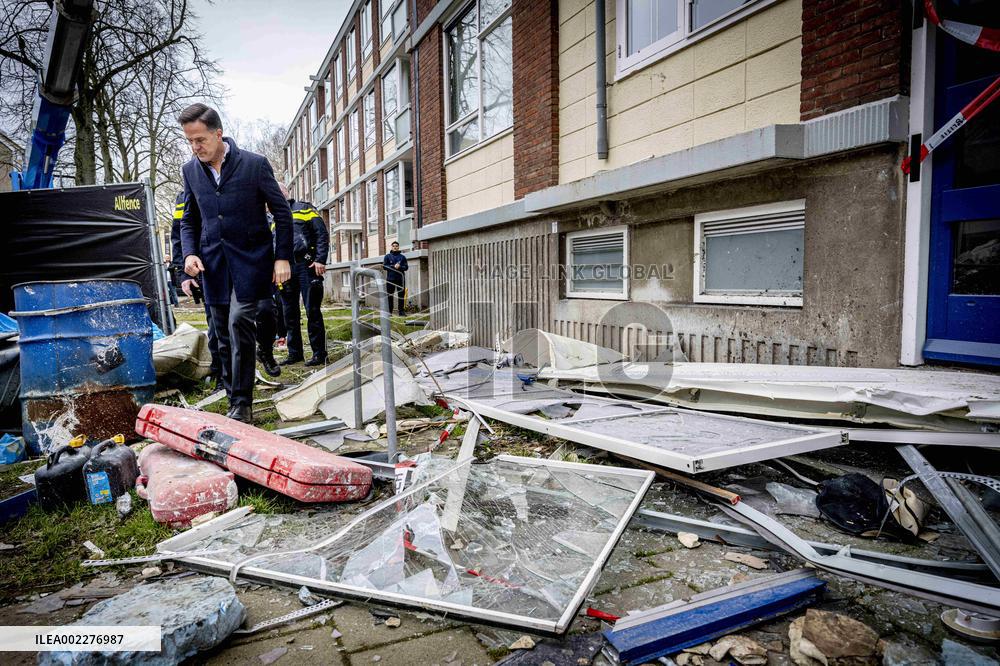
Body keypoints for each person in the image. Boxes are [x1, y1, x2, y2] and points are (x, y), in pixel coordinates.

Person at [178, 103, 292, 423]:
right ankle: (232, 395)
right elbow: (189, 220)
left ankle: (243, 403)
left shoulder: (254, 165)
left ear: (218, 133)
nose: (195, 147)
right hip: (213, 265)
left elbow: (282, 214)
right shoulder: (190, 171)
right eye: (189, 141)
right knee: (222, 335)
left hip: (251, 261)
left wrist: (282, 257)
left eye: (200, 139)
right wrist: (189, 254)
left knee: (240, 322)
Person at [170, 191, 222, 385]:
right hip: (205, 267)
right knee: (216, 324)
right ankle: (221, 375)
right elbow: (178, 234)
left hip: (237, 264)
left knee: (243, 321)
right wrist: (183, 273)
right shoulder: (186, 195)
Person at [277, 183, 329, 367]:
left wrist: (321, 259)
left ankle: (319, 354)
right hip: (285, 269)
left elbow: (321, 234)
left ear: (285, 193)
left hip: (307, 266)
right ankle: (294, 353)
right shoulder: (273, 216)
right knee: (289, 313)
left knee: (312, 310)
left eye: (277, 191)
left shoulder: (304, 208)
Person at [382, 241, 408, 316]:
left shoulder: (402, 257)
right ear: (391, 247)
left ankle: (401, 312)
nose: (395, 247)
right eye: (394, 246)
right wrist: (393, 266)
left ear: (398, 247)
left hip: (400, 279)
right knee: (390, 296)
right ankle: (389, 312)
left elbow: (406, 267)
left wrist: (400, 267)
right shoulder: (387, 256)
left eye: (396, 246)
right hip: (390, 279)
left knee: (401, 296)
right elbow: (384, 266)